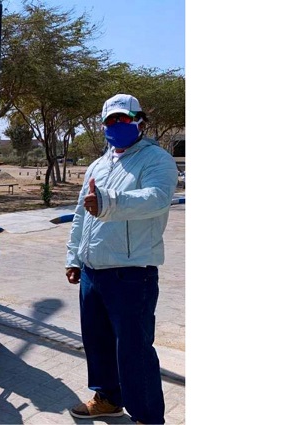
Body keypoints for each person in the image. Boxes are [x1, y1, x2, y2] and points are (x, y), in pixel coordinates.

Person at [65, 93, 178, 424]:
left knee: (135, 351)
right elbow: (80, 214)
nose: (117, 125)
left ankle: (146, 417)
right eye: (111, 120)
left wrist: (109, 202)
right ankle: (108, 398)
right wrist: (74, 257)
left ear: (140, 121)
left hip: (131, 273)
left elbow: (156, 198)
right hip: (92, 270)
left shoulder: (156, 160)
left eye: (124, 119)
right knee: (97, 342)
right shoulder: (98, 165)